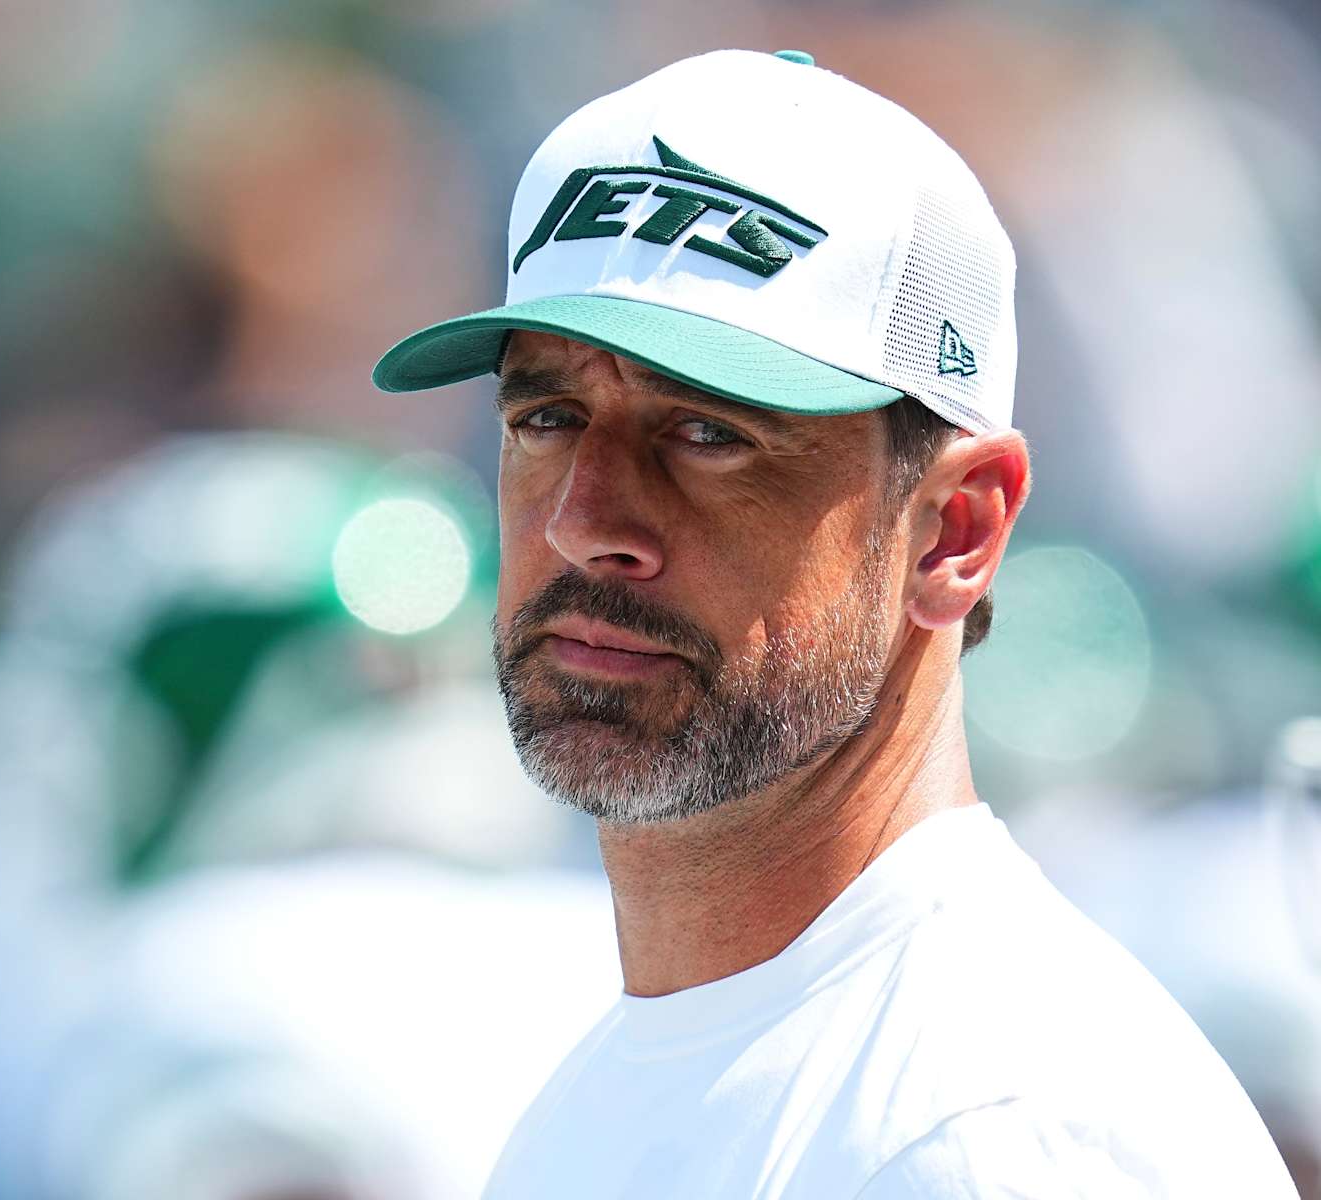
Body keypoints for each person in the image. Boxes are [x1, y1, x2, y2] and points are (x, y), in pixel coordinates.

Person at [371, 48, 1300, 1198]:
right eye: (550, 415)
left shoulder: (987, 1132)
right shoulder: (639, 1075)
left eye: (708, 435)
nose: (584, 522)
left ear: (956, 529)